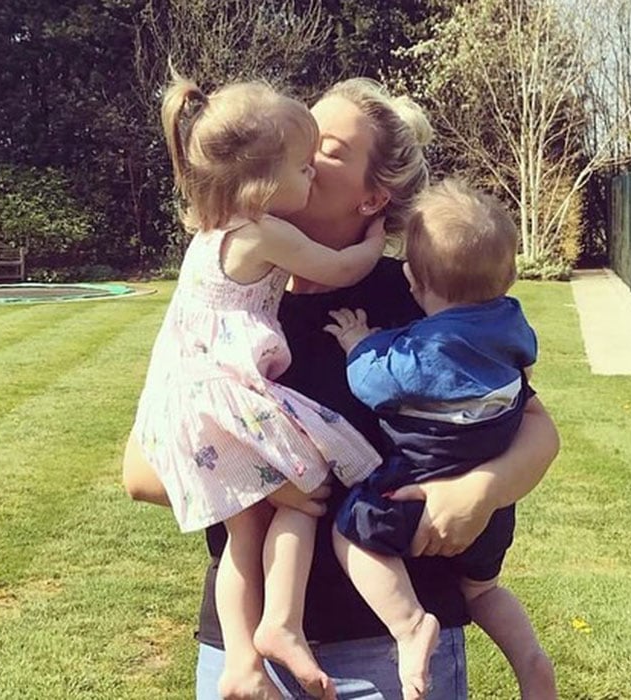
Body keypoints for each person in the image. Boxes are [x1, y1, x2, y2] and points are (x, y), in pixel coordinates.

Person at [123, 77, 560, 700]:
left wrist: (479, 491)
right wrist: (274, 481)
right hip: (245, 655)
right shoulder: (228, 294)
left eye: (325, 149)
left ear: (372, 198)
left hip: (392, 647)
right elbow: (141, 472)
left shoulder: (417, 295)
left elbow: (535, 427)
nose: (298, 152)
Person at [132, 73, 394, 699]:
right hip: (232, 392)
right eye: (303, 164)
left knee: (240, 540)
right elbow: (339, 268)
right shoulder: (264, 234)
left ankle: (245, 664)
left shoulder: (210, 235)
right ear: (262, 181)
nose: (311, 172)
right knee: (306, 490)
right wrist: (377, 242)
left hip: (194, 395)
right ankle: (280, 624)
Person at [324, 178, 556, 699]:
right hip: (493, 509)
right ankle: (530, 659)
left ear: (413, 279)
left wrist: (359, 342)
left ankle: (409, 625)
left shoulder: (425, 350)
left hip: (418, 492)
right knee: (483, 589)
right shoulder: (512, 325)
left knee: (350, 535)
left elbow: (370, 383)